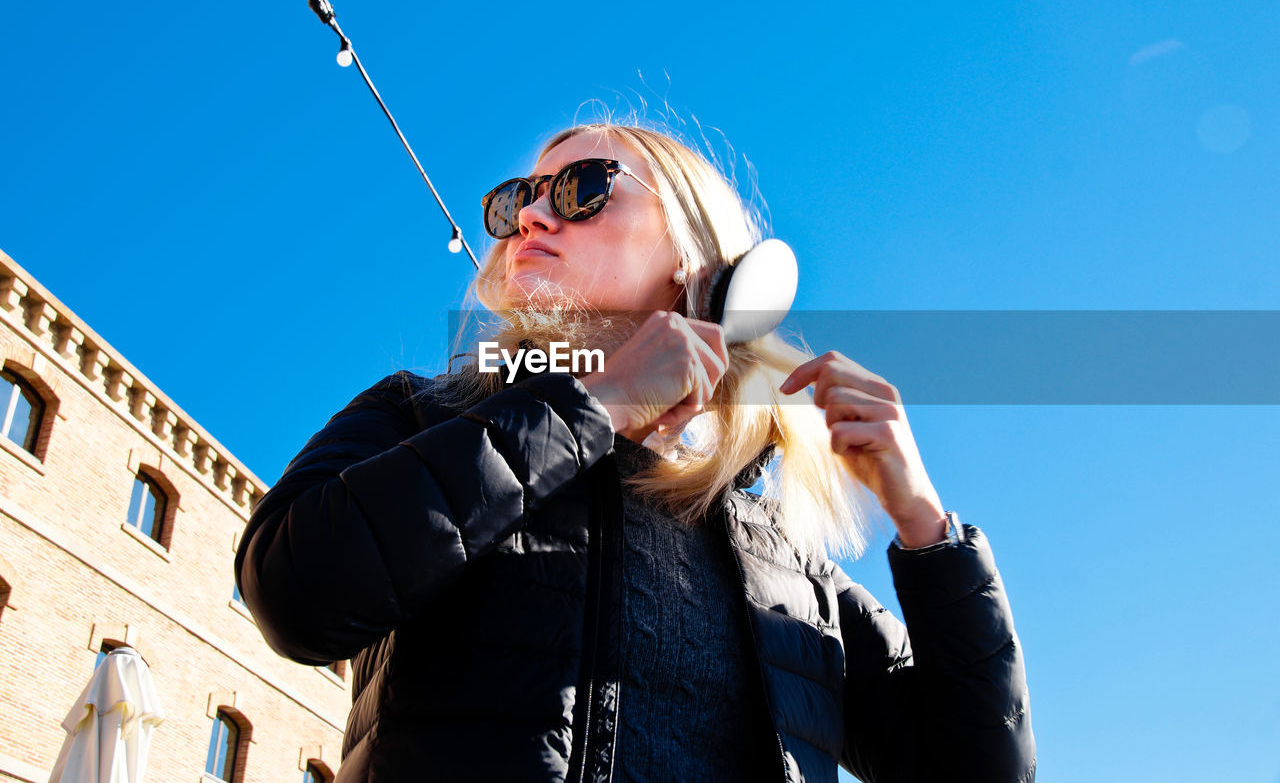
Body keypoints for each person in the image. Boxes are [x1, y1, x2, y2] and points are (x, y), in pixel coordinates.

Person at [234, 122, 1036, 782]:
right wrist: (595, 405)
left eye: (582, 187)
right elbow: (292, 593)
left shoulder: (790, 570)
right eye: (517, 201)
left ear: (694, 260)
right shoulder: (420, 413)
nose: (533, 218)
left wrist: (929, 533)